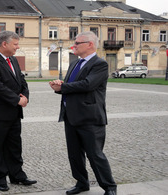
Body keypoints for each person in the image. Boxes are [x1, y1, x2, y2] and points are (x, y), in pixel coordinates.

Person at [49, 31, 117, 195]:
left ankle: (109, 187)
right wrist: (60, 85)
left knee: (95, 155)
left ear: (90, 44)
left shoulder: (99, 64)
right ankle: (81, 183)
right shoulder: (74, 63)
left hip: (90, 117)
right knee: (74, 154)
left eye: (77, 43)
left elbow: (87, 85)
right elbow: (72, 85)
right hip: (70, 115)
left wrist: (63, 87)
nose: (74, 45)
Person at [0, 30, 37, 192]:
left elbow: (21, 80)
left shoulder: (13, 60)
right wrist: (17, 99)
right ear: (4, 44)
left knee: (14, 146)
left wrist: (25, 96)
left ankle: (17, 175)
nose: (18, 47)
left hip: (13, 112)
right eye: (16, 44)